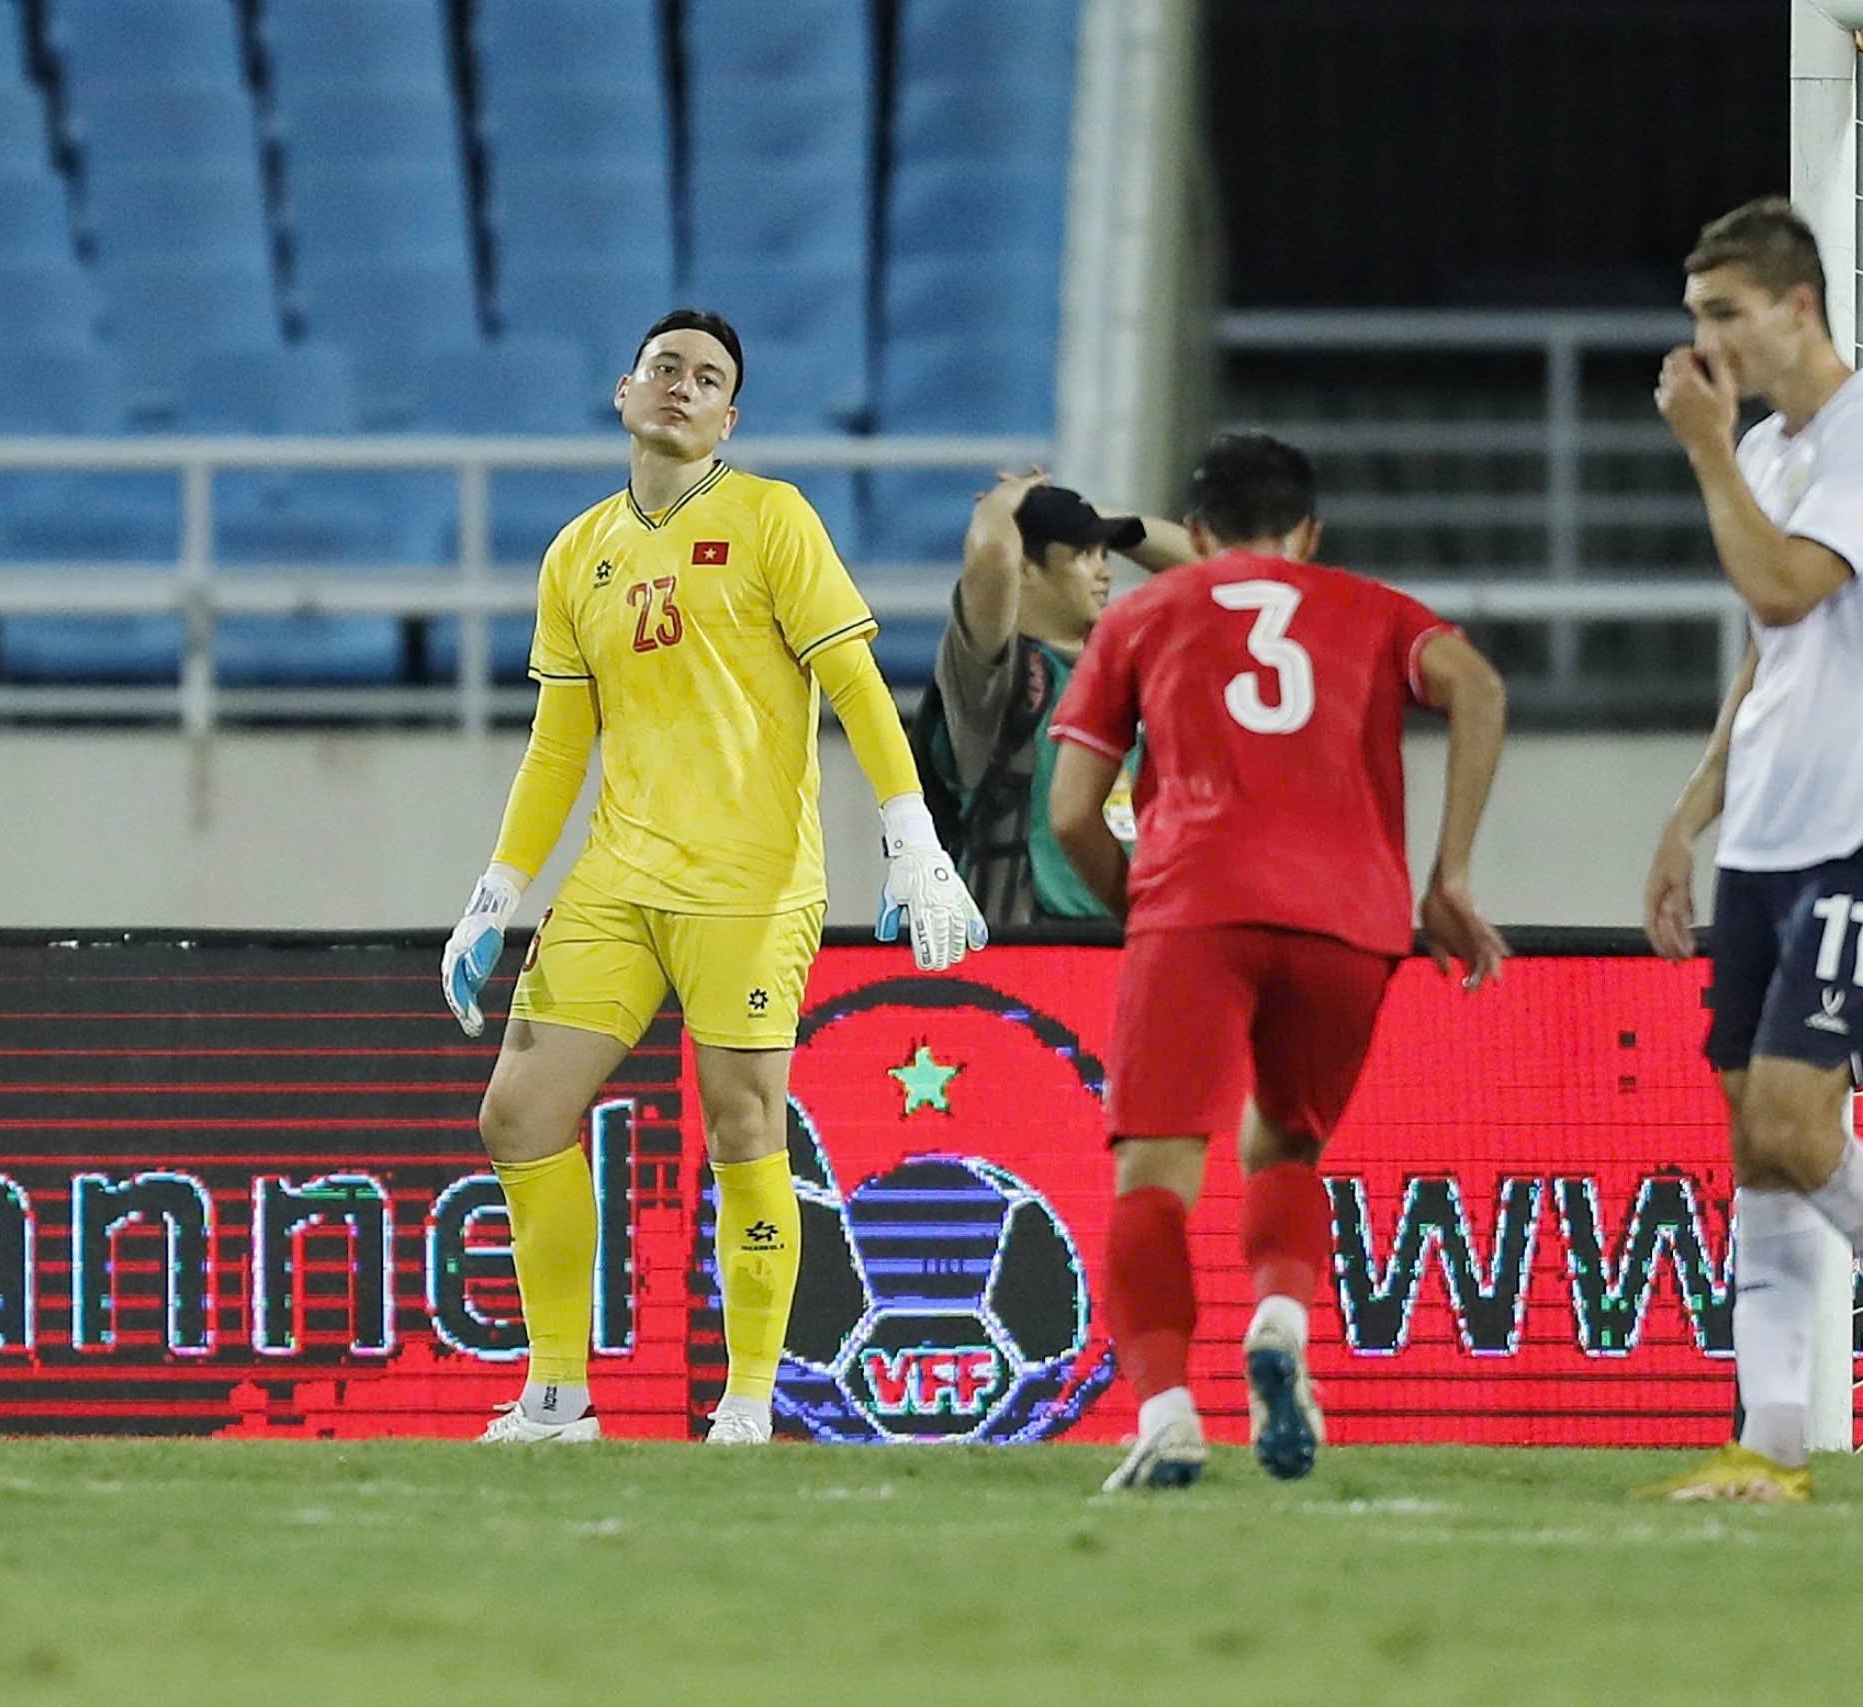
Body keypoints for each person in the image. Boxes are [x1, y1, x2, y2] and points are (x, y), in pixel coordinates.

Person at [440, 310, 987, 1446]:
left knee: (744, 1128)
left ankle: (745, 1402)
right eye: (666, 369)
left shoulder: (769, 517)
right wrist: (498, 891)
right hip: (617, 879)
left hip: (750, 881)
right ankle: (555, 1401)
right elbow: (557, 744)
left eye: (709, 379)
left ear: (728, 417)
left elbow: (854, 682)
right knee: (518, 1113)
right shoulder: (574, 550)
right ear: (624, 391)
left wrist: (912, 838)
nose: (683, 387)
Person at [1046, 431, 1512, 1491]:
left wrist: (1144, 906)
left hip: (1196, 899)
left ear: (1197, 534)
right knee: (1288, 1147)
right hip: (1352, 919)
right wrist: (1449, 876)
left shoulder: (1142, 615)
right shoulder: (1373, 608)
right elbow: (1478, 690)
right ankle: (1278, 1320)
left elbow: (1073, 810)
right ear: (1307, 532)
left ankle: (1166, 1410)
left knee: (1155, 1177)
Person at [1640, 197, 1863, 1503]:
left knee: (1797, 1117)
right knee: (1755, 1136)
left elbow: (1787, 585)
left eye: (1725, 315)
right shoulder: (1783, 456)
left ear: (1799, 308)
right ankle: (1774, 1445)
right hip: (1770, 834)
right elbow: (1769, 654)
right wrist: (1690, 814)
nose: (1705, 344)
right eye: (1694, 321)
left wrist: (1704, 453)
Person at [922, 473, 1194, 924]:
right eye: (1084, 555)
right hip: (1025, 945)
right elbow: (992, 554)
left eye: (1105, 554)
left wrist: (1096, 518)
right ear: (1026, 568)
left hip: (1130, 932)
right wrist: (1005, 502)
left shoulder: (1125, 663)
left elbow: (1220, 569)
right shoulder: (992, 674)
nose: (1106, 571)